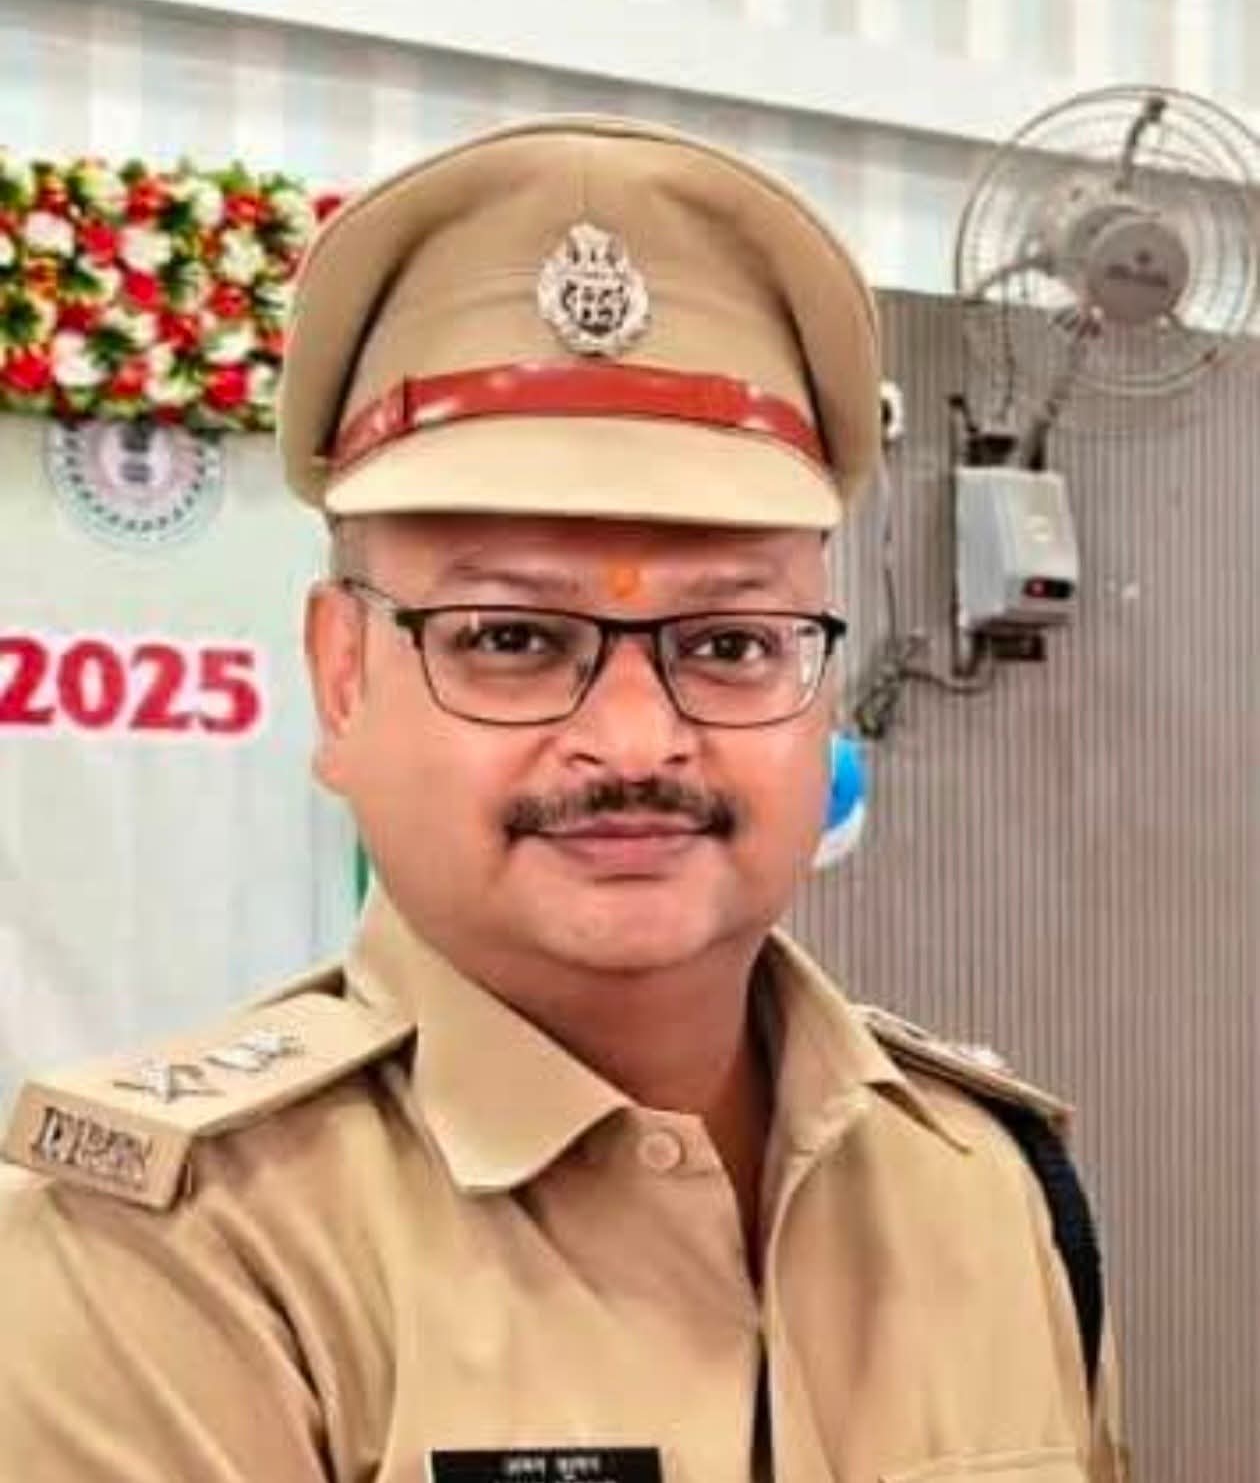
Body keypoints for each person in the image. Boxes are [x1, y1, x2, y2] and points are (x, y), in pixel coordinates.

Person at [0, 116, 1127, 1482]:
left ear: (821, 684)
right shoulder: (159, 1262)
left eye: (730, 643)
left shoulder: (989, 1188)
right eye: (512, 638)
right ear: (342, 678)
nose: (636, 739)